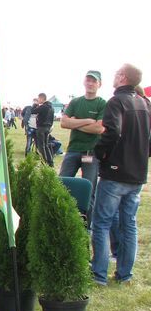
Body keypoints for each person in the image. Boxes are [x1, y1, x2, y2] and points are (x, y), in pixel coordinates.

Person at [91, 63, 150, 286]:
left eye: (116, 74)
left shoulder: (117, 101)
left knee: (102, 223)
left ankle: (99, 273)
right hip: (136, 174)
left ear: (123, 78)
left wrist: (101, 153)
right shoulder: (144, 103)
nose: (114, 77)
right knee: (129, 224)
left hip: (116, 173)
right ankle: (124, 274)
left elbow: (112, 131)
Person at [58, 70, 106, 223]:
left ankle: (86, 224)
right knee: (61, 184)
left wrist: (75, 123)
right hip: (73, 150)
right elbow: (63, 123)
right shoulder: (76, 102)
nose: (91, 83)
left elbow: (99, 129)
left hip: (90, 153)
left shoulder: (102, 103)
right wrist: (88, 121)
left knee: (89, 189)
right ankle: (60, 218)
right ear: (84, 82)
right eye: (89, 80)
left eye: (94, 81)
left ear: (99, 84)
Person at [31, 93, 55, 165]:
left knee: (41, 146)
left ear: (41, 98)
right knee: (46, 145)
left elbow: (33, 111)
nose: (38, 100)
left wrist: (35, 104)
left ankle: (45, 162)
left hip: (41, 127)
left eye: (38, 99)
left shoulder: (43, 107)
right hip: (48, 127)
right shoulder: (51, 107)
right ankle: (50, 162)